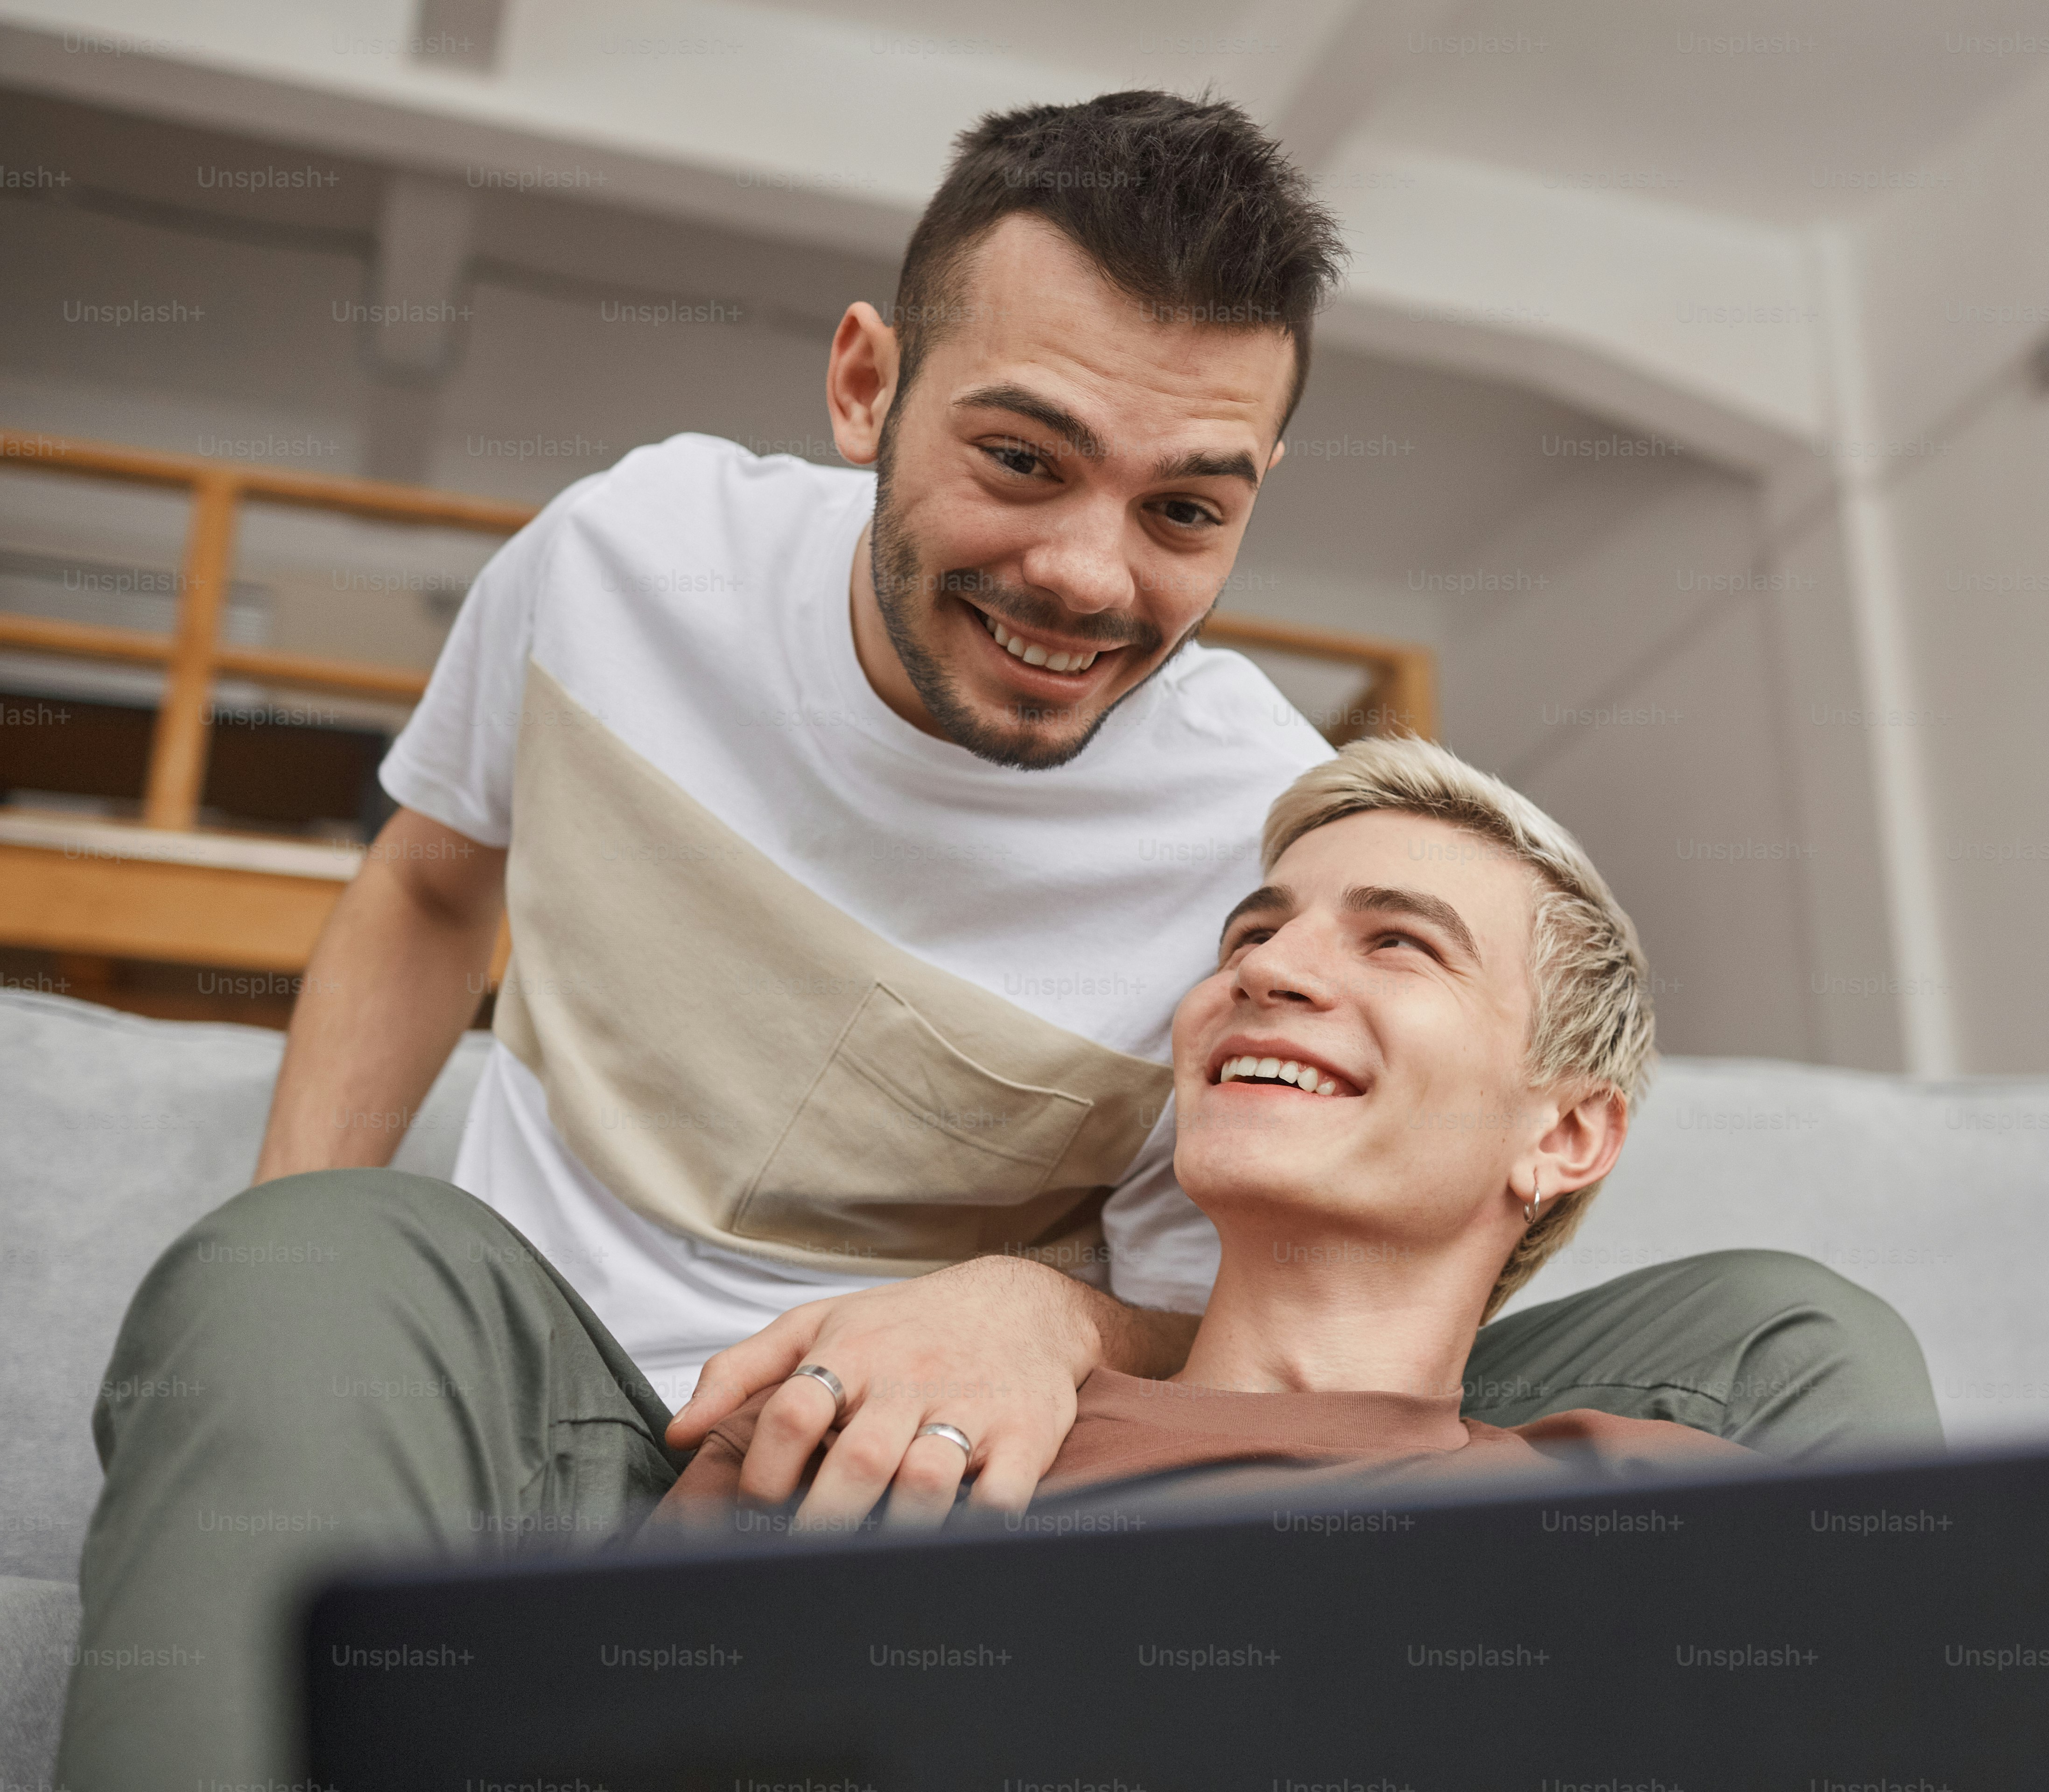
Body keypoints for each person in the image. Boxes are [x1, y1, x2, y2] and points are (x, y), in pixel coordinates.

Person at [58, 93, 1937, 1791]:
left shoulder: (1257, 831)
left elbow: (1266, 1313)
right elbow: (424, 884)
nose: (1090, 577)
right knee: (302, 1257)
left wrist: (1037, 1316)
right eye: (1026, 462)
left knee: (1787, 1340)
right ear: (867, 385)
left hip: (1001, 1448)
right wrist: (262, 1287)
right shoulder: (621, 561)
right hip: (583, 1404)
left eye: (1185, 509)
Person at [653, 740, 1930, 1533]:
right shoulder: (888, 1434)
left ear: (1570, 1133)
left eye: (1399, 941)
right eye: (1250, 937)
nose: (1268, 972)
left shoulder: (1670, 1505)